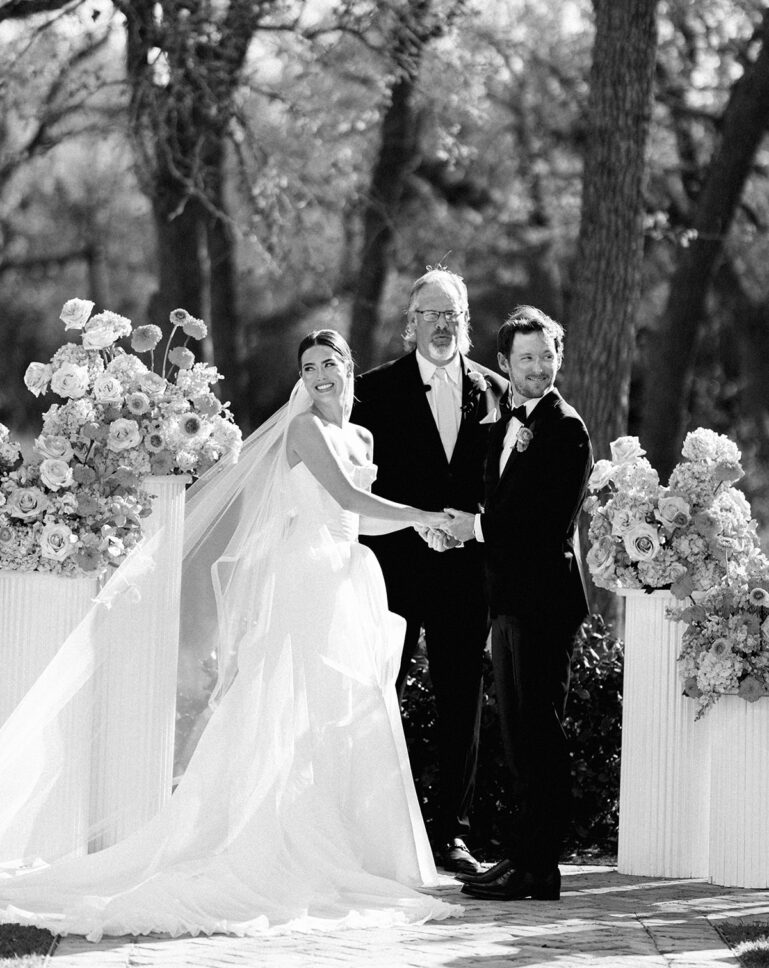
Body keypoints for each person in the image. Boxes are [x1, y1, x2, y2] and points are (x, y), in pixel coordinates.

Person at [0, 329, 464, 939]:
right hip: (307, 578)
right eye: (309, 365)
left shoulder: (362, 435)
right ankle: (268, 842)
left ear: (349, 367)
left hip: (347, 576)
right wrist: (428, 515)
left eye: (330, 362)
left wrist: (415, 531)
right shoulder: (304, 431)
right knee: (289, 706)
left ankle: (347, 845)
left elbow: (356, 517)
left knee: (341, 716)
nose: (321, 373)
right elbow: (348, 494)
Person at [350, 268, 507, 875]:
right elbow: (360, 481)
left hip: (467, 573)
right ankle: (375, 833)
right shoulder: (373, 391)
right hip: (395, 569)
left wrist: (474, 522)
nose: (442, 324)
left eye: (454, 314)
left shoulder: (495, 393)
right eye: (430, 313)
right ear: (410, 323)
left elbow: (505, 485)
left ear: (466, 322)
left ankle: (453, 835)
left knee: (462, 702)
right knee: (377, 694)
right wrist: (413, 523)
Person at [443, 306, 592, 901]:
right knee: (517, 739)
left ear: (560, 357)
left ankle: (540, 870)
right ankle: (523, 856)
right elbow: (496, 495)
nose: (537, 368)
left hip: (544, 604)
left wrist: (474, 528)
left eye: (546, 356)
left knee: (540, 736)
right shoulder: (505, 418)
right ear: (504, 363)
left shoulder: (565, 427)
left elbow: (544, 522)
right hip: (508, 601)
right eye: (525, 358)